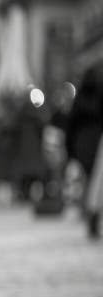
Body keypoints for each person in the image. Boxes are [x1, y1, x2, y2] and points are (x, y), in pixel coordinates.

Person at [66, 65, 103, 239]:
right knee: (96, 182)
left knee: (89, 181)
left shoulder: (80, 97)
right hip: (96, 141)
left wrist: (70, 150)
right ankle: (92, 215)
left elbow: (71, 124)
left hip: (82, 143)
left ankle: (89, 213)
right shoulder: (99, 94)